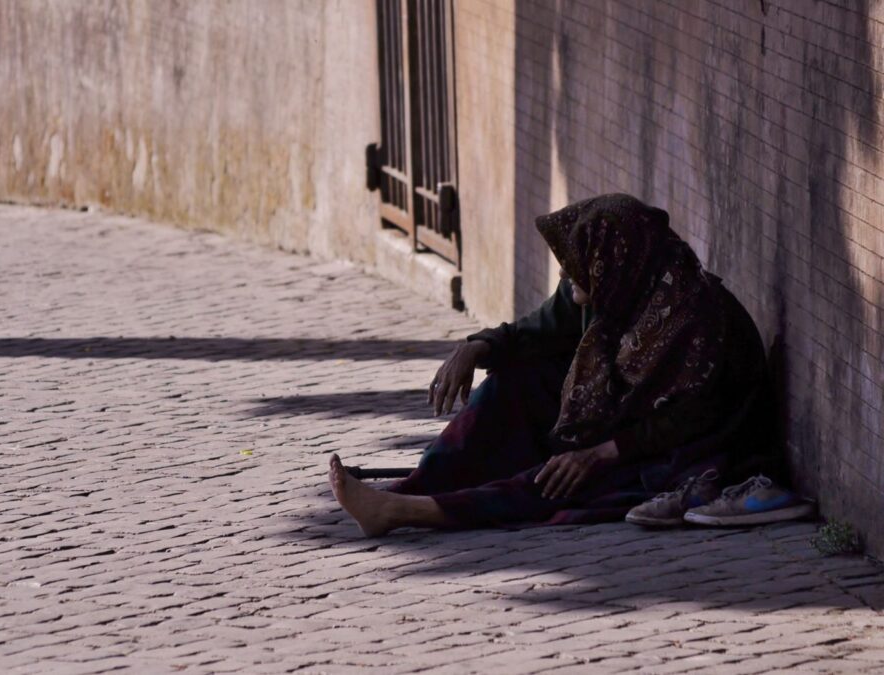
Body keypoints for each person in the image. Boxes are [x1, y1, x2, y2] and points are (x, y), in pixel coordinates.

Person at [329, 193, 787, 536]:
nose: (567, 277)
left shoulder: (696, 318)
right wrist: (476, 347)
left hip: (689, 451)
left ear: (610, 261)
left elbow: (690, 420)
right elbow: (536, 330)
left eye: (575, 265)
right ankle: (414, 487)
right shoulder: (617, 286)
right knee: (515, 381)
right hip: (628, 421)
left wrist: (599, 452)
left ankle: (407, 513)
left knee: (563, 479)